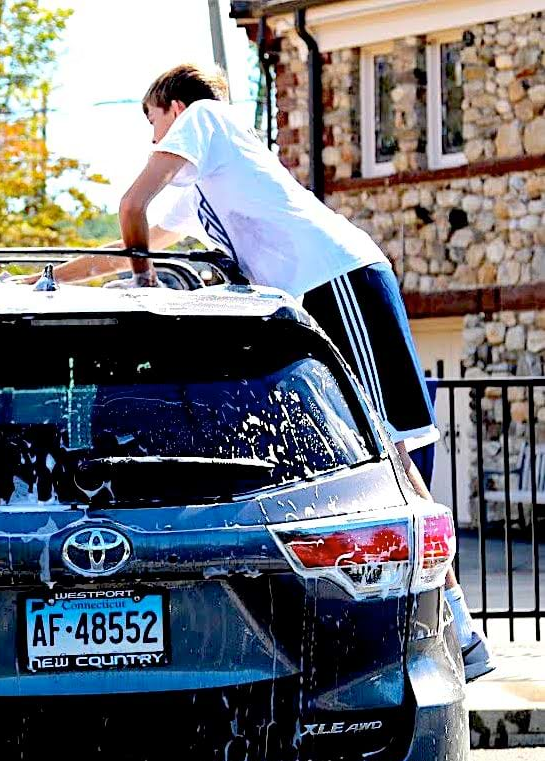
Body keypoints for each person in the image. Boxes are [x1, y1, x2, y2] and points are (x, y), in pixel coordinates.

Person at [53, 63, 493, 682]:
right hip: (313, 295)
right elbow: (137, 235)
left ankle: (458, 626)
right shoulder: (203, 178)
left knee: (393, 452)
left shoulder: (206, 119)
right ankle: (457, 626)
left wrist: (144, 277)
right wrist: (48, 279)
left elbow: (132, 207)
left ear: (171, 107)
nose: (151, 141)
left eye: (150, 122)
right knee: (376, 458)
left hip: (334, 280)